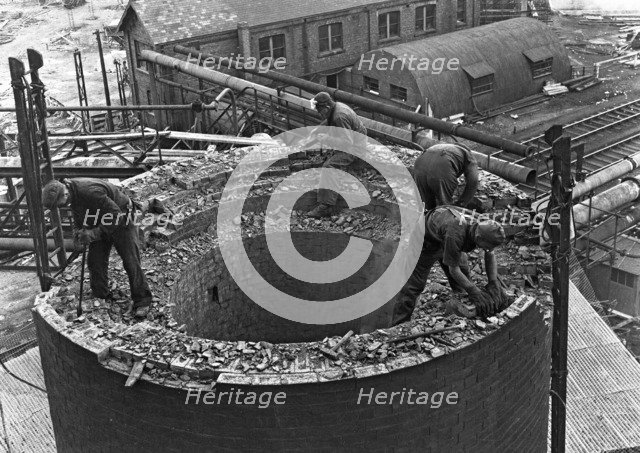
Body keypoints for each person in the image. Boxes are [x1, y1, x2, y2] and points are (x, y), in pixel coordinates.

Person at [42, 178, 153, 318]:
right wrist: (79, 232)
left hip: (123, 217)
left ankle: (143, 300)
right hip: (99, 219)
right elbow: (79, 213)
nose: (59, 207)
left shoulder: (89, 192)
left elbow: (116, 216)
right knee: (95, 261)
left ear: (64, 194)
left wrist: (93, 233)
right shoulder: (71, 193)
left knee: (131, 260)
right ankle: (101, 295)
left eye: (58, 205)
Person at [392, 206, 506, 326]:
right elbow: (454, 270)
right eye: (485, 246)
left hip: (445, 233)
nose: (487, 249)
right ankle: (399, 326)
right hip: (424, 240)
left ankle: (463, 313)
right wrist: (474, 291)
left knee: (464, 279)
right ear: (477, 238)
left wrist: (493, 281)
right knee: (414, 285)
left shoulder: (485, 225)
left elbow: (490, 253)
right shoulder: (455, 233)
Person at [306, 91, 369, 218]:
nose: (319, 114)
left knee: (329, 166)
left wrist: (326, 139)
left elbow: (347, 143)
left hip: (355, 147)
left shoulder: (339, 116)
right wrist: (317, 130)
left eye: (320, 111)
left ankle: (326, 206)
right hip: (354, 141)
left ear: (327, 107)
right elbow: (329, 121)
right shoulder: (336, 107)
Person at [412, 143, 480, 210]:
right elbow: (473, 182)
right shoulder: (469, 156)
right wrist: (461, 204)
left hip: (419, 165)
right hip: (442, 167)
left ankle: (425, 218)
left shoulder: (445, 146)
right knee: (445, 208)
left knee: (426, 206)